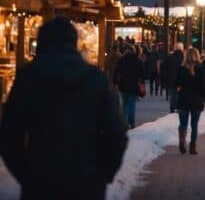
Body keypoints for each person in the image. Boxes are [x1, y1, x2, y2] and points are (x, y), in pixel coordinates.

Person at [0, 17, 128, 200]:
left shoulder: (28, 78)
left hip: (40, 179)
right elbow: (116, 132)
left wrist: (26, 174)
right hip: (86, 180)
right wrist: (102, 174)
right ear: (74, 42)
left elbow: (9, 133)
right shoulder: (95, 79)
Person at [177, 47, 205, 155]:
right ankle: (193, 146)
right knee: (194, 124)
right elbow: (204, 86)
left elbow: (176, 83)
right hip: (196, 100)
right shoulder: (201, 69)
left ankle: (182, 140)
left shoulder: (181, 69)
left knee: (183, 123)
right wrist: (204, 97)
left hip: (183, 99)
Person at [113, 44, 145, 129]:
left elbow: (116, 73)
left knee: (125, 104)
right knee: (132, 104)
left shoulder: (121, 60)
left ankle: (124, 122)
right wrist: (141, 84)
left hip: (123, 85)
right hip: (133, 86)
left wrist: (115, 83)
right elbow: (142, 74)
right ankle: (132, 122)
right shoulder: (138, 61)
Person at [161, 43, 184, 113]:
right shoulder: (183, 57)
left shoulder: (169, 57)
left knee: (172, 95)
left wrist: (166, 76)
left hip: (171, 79)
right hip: (181, 79)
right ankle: (178, 107)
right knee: (180, 95)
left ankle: (172, 108)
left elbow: (163, 67)